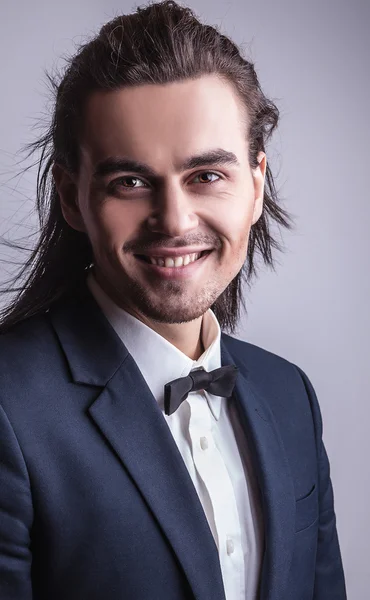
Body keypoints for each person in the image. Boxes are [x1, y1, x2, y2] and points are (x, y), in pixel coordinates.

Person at [0, 1, 346, 599]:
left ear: (256, 186)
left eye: (206, 175)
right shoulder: (8, 406)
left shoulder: (292, 395)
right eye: (130, 182)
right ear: (72, 198)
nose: (174, 220)